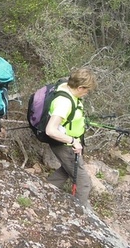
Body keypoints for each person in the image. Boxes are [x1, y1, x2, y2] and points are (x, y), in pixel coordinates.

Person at [44, 67, 97, 212]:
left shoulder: (67, 89)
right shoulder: (64, 102)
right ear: (80, 87)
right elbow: (50, 130)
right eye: (87, 90)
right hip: (64, 145)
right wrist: (73, 141)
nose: (87, 93)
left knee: (67, 170)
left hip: (68, 142)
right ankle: (79, 213)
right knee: (84, 182)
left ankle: (45, 190)